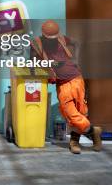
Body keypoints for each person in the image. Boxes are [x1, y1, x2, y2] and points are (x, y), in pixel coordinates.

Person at [31, 20, 102, 154]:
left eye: (55, 37)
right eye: (50, 38)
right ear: (43, 34)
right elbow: (33, 64)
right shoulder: (36, 44)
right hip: (62, 83)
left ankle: (74, 142)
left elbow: (77, 43)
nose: (53, 40)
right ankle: (93, 131)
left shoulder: (62, 39)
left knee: (81, 112)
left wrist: (75, 58)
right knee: (69, 112)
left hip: (76, 78)